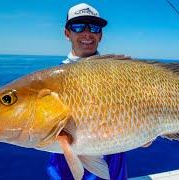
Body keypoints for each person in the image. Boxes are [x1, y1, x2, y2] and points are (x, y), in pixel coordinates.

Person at [47, 3, 127, 180]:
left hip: (114, 174)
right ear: (67, 33)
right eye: (78, 26)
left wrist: (149, 134)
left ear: (100, 34)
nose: (87, 33)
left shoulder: (121, 74)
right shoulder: (52, 82)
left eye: (94, 27)